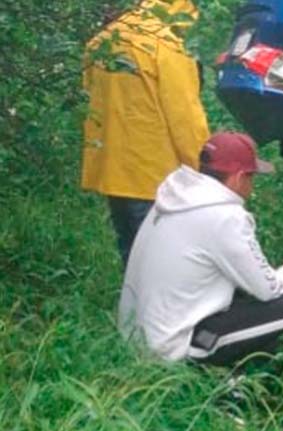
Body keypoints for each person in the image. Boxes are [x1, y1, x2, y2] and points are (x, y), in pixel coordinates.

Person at [118, 132, 283, 367]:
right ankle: (242, 396)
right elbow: (267, 290)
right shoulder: (224, 216)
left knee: (241, 287)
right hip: (170, 347)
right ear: (239, 178)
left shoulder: (177, 195)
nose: (251, 188)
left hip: (136, 336)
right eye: (251, 178)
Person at [82, 0, 210, 265]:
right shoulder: (167, 46)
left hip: (112, 168)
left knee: (131, 252)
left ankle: (131, 307)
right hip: (154, 175)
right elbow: (185, 117)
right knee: (159, 262)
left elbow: (89, 96)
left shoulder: (102, 41)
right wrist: (205, 169)